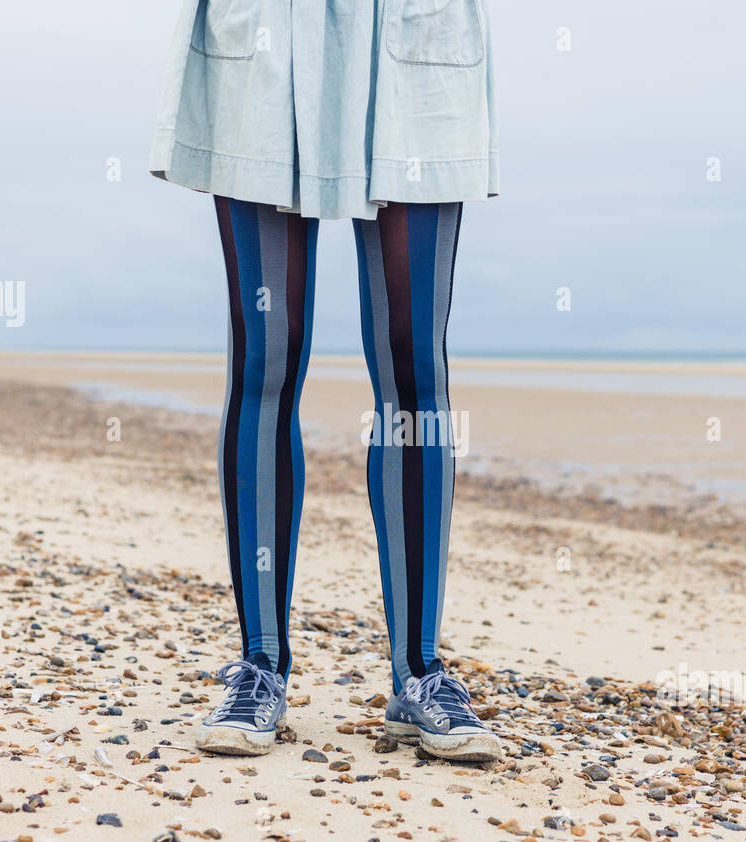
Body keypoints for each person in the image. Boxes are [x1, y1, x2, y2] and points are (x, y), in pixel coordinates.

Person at [150, 0, 500, 761]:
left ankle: (420, 673)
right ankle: (260, 665)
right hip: (267, 37)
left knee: (414, 363)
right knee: (266, 357)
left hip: (416, 37)